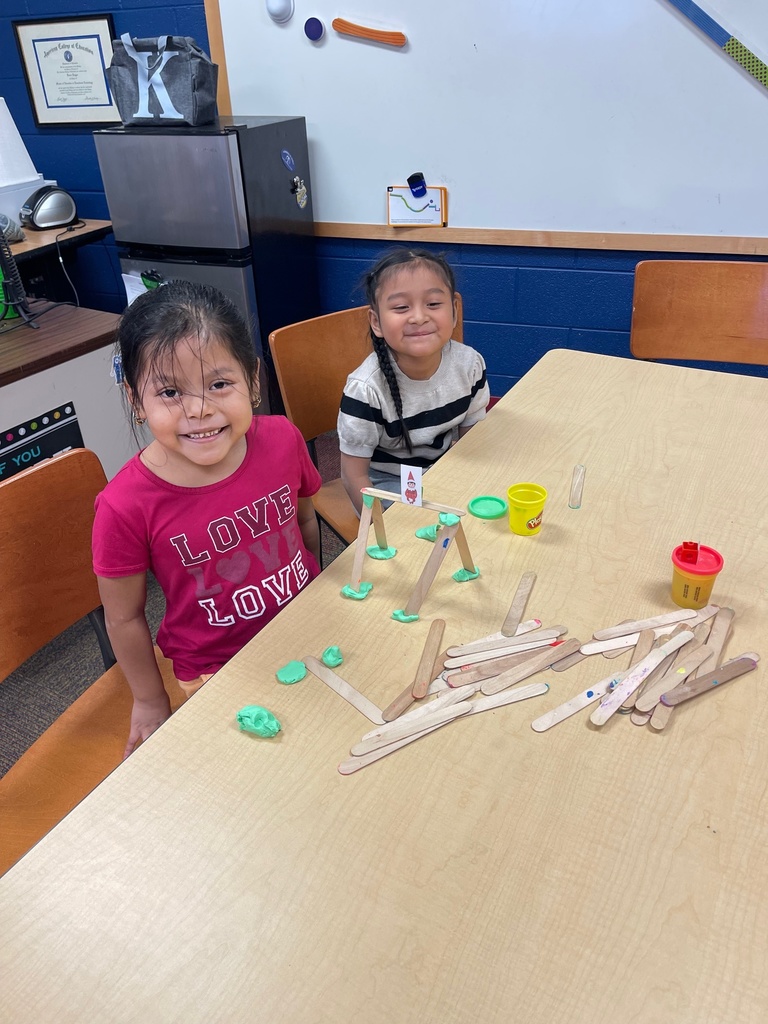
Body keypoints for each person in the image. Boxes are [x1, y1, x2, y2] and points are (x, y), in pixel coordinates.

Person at [92, 281, 322, 758]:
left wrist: (317, 595)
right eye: (170, 392)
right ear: (137, 402)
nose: (199, 410)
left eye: (219, 384)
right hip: (214, 668)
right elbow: (124, 616)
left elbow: (304, 524)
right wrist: (150, 699)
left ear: (253, 379)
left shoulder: (281, 438)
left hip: (307, 627)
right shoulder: (125, 504)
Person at [337, 248, 490, 514]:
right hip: (384, 483)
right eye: (400, 307)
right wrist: (382, 533)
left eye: (433, 304)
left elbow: (473, 446)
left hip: (441, 471)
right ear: (376, 321)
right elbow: (354, 477)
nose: (419, 317)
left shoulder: (470, 365)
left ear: (454, 310)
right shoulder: (365, 391)